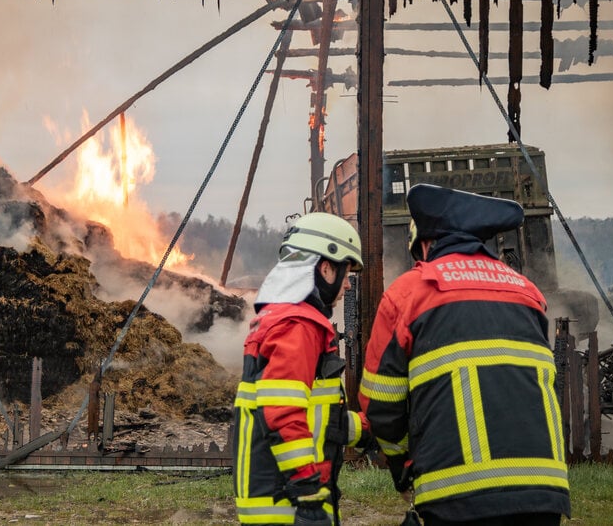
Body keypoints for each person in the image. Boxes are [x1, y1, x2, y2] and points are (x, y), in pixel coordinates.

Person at [359, 184, 571, 525]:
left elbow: (381, 405)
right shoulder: (527, 292)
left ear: (425, 245)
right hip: (544, 491)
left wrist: (401, 466)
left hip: (457, 497)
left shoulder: (409, 292)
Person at [232, 212, 375, 526]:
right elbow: (283, 412)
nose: (347, 284)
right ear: (325, 268)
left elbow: (315, 415)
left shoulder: (282, 319)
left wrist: (366, 430)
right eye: (346, 272)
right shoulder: (298, 325)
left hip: (277, 502)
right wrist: (308, 492)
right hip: (289, 506)